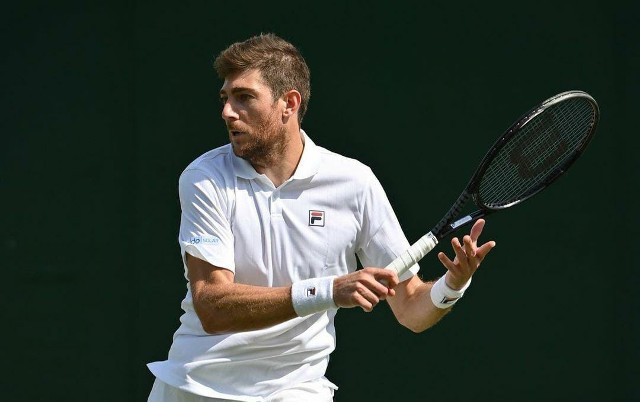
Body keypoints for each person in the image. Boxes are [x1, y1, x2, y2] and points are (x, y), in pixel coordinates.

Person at [147, 33, 496, 402]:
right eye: (225, 98)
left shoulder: (354, 183)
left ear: (289, 104)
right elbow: (213, 306)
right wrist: (329, 291)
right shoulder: (205, 178)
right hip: (194, 388)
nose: (227, 112)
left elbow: (411, 308)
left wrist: (452, 286)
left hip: (296, 391)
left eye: (244, 97)